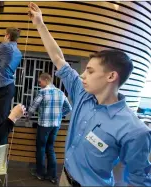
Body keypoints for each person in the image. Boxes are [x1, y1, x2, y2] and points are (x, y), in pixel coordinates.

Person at [28, 2, 151, 186]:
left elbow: (138, 179)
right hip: (64, 178)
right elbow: (58, 58)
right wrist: (40, 24)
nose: (83, 76)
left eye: (90, 71)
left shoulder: (135, 130)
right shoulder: (82, 94)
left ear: (111, 76)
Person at [28, 73, 72, 184]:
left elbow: (33, 107)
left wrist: (28, 116)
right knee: (50, 148)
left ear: (46, 80)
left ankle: (40, 173)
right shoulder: (61, 93)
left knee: (41, 148)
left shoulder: (43, 92)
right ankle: (52, 176)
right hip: (55, 125)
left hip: (44, 125)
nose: (39, 84)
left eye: (39, 82)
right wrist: (59, 115)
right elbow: (69, 108)